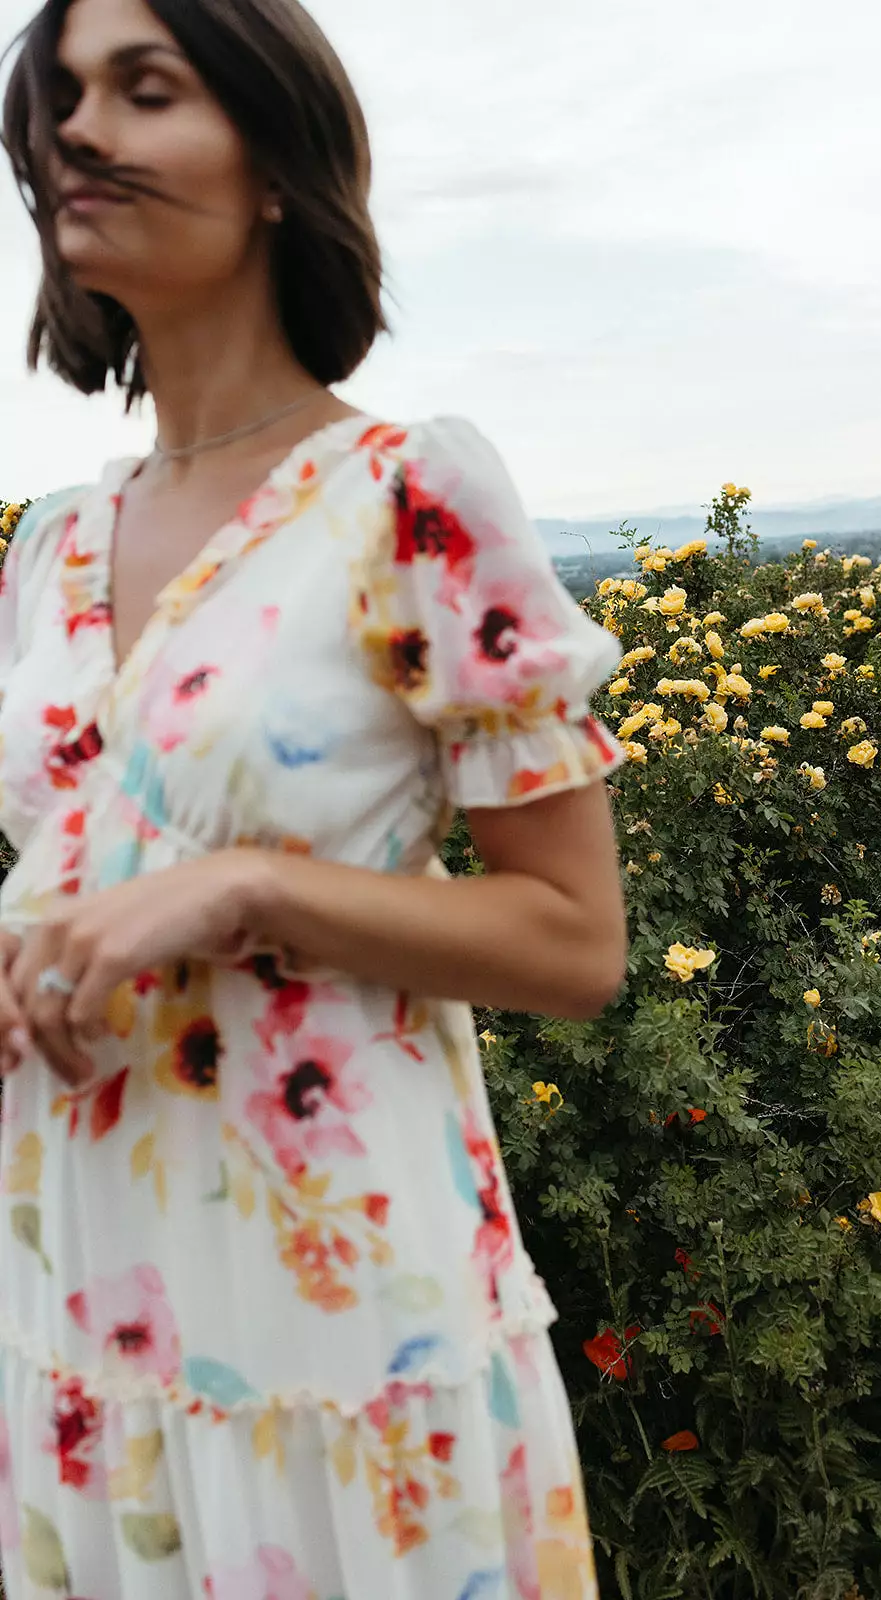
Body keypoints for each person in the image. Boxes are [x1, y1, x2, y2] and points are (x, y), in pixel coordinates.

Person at [0, 0, 628, 1593]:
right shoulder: (48, 549)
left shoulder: (412, 492)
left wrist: (246, 888)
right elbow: (75, 876)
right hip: (77, 1306)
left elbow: (573, 941)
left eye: (144, 89)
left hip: (345, 1321)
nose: (79, 132)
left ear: (274, 161)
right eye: (57, 97)